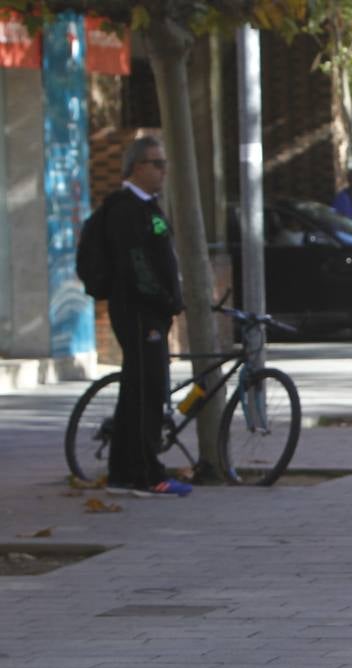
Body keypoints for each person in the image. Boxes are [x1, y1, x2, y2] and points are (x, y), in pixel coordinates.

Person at [103, 136, 192, 498]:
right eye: (156, 164)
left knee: (136, 390)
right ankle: (145, 474)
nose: (163, 171)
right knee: (147, 393)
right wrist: (164, 300)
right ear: (137, 167)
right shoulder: (125, 210)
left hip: (150, 313)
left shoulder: (148, 207)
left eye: (164, 163)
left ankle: (123, 472)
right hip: (139, 314)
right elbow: (137, 266)